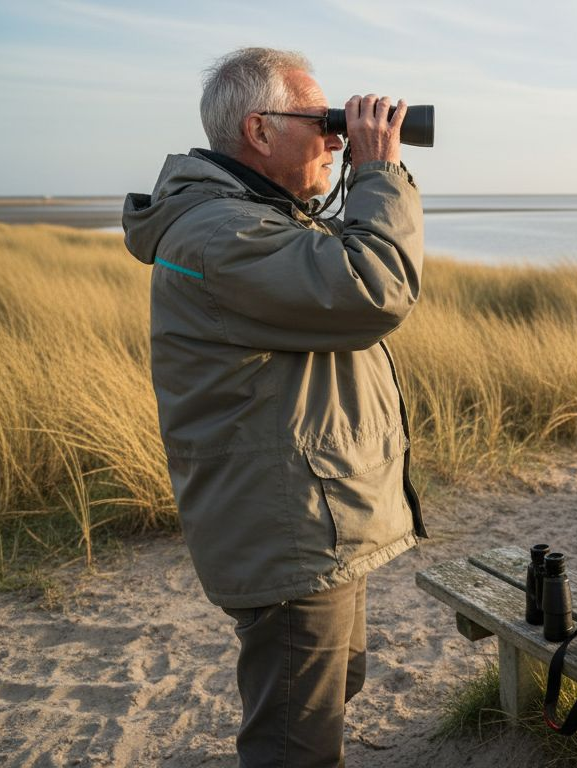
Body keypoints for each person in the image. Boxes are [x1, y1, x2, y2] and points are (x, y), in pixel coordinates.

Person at [122, 47, 426, 766]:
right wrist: (377, 168)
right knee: (296, 734)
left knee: (327, 690)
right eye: (319, 121)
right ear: (258, 132)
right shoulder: (222, 235)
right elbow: (373, 289)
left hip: (309, 518)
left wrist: (346, 171)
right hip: (287, 529)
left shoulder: (255, 217)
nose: (335, 136)